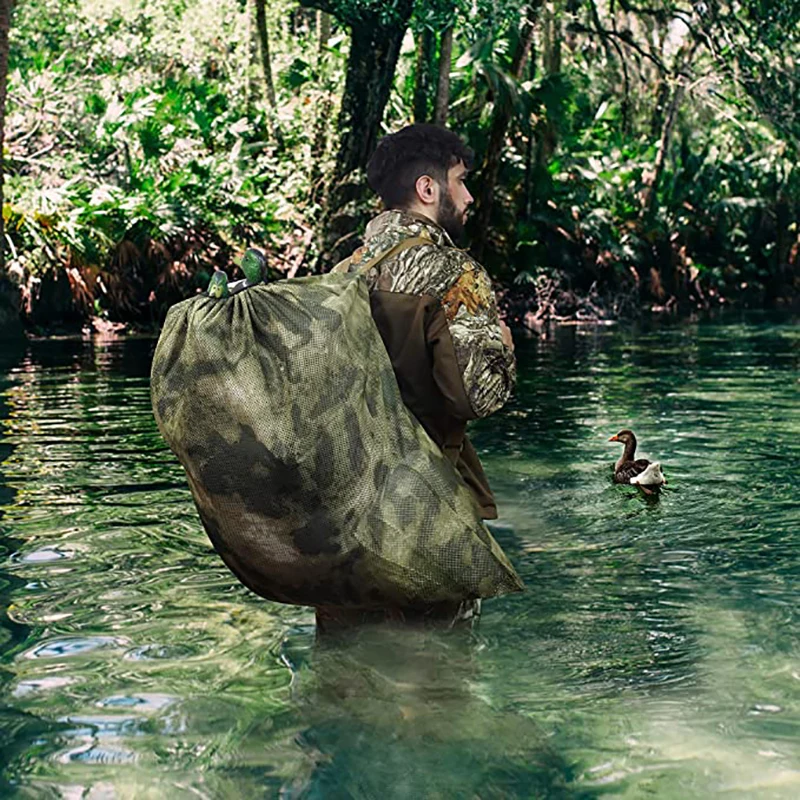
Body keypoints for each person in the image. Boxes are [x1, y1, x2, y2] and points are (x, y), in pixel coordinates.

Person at [316, 124, 516, 634]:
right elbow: (476, 395)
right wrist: (505, 351)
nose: (469, 196)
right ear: (428, 190)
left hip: (343, 533)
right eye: (461, 181)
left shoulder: (341, 273)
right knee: (441, 689)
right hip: (425, 523)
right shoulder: (452, 271)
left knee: (344, 682)